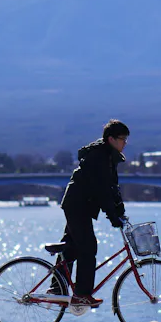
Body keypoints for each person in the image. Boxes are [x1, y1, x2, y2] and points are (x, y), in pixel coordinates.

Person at [57, 119, 129, 308]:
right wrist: (112, 216)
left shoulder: (109, 157)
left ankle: (56, 290)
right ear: (111, 139)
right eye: (123, 139)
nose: (125, 143)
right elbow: (101, 190)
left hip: (81, 206)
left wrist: (120, 210)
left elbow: (113, 188)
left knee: (71, 247)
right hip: (77, 205)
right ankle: (81, 294)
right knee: (88, 247)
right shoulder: (99, 157)